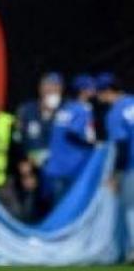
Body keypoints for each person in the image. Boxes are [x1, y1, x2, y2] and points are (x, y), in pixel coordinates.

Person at [41, 74, 96, 211]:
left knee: (57, 209)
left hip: (56, 167)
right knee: (68, 210)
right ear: (84, 90)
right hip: (73, 167)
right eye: (91, 88)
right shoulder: (82, 109)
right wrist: (94, 146)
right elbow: (72, 134)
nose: (94, 91)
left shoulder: (65, 108)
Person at [14, 72, 63, 218]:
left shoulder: (66, 111)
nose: (50, 90)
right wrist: (25, 169)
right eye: (47, 86)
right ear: (40, 88)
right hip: (32, 170)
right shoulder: (26, 110)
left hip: (57, 173)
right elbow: (18, 141)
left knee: (56, 210)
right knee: (30, 211)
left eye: (55, 87)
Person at [96, 73, 134, 262]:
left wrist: (116, 174)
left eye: (100, 92)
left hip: (132, 165)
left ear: (108, 91)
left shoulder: (116, 112)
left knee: (131, 208)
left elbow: (122, 146)